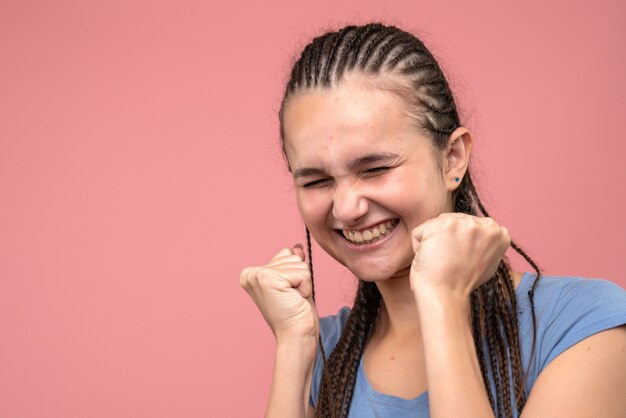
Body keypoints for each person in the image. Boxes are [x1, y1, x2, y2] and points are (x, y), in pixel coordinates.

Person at [240, 23, 626, 418]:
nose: (346, 208)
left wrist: (444, 300)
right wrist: (293, 345)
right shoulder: (327, 351)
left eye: (375, 168)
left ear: (453, 158)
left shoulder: (582, 327)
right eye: (317, 180)